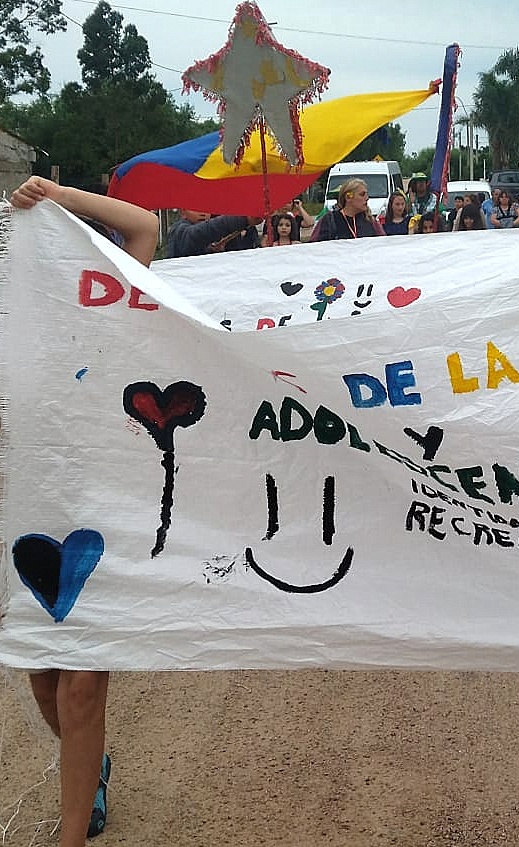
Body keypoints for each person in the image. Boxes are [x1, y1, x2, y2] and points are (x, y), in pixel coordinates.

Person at [7, 175, 161, 846]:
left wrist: (61, 198)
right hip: (23, 524)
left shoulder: (104, 314)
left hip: (98, 518)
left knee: (79, 691)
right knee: (45, 684)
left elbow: (144, 228)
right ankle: (90, 763)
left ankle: (71, 832)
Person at [166, 208, 258, 258]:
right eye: (194, 208)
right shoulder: (178, 230)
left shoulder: (213, 233)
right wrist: (242, 219)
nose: (202, 212)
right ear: (183, 212)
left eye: (206, 207)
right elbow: (196, 235)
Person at [310, 178, 382, 240]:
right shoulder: (330, 220)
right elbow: (315, 247)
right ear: (348, 197)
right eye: (362, 194)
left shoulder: (370, 220)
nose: (367, 198)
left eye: (367, 194)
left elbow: (383, 244)